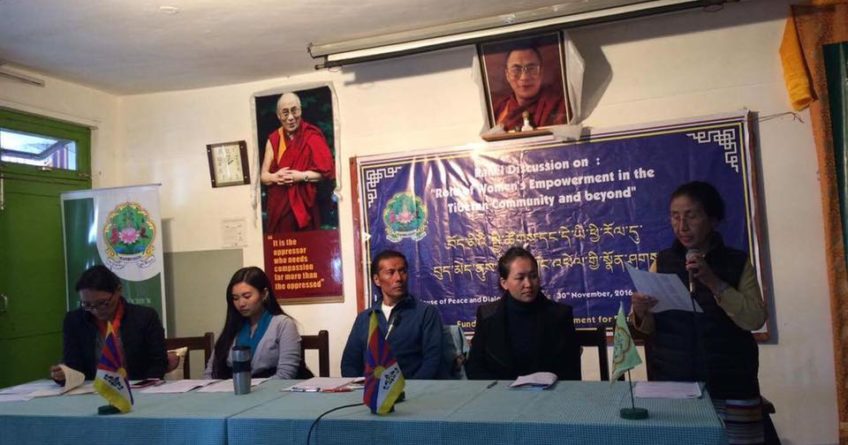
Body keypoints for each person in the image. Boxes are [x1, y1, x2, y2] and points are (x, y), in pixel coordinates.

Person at [630, 181, 768, 444]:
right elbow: (646, 329)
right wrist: (640, 312)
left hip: (732, 384)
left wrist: (714, 282)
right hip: (674, 384)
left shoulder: (737, 262)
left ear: (712, 219)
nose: (682, 226)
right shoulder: (663, 261)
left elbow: (754, 318)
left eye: (691, 216)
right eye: (675, 216)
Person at [465, 247, 581, 380]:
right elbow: (475, 368)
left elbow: (571, 371)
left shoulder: (560, 315)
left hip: (549, 394)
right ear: (504, 283)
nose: (528, 284)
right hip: (501, 394)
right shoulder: (487, 316)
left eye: (533, 276)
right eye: (520, 278)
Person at [50, 265, 167, 382]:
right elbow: (73, 365)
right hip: (92, 390)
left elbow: (158, 362)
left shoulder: (144, 317)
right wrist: (64, 375)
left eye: (102, 303)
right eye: (87, 304)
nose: (95, 310)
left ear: (118, 290)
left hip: (136, 388)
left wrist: (145, 384)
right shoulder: (74, 321)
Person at [341, 250, 444, 379]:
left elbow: (433, 361)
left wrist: (413, 389)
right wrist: (361, 388)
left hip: (413, 391)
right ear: (377, 280)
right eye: (391, 273)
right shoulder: (365, 318)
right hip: (370, 392)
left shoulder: (425, 312)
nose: (399, 278)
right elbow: (349, 364)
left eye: (402, 271)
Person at [204, 267, 302, 379]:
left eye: (247, 296)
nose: (241, 303)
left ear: (264, 294)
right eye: (235, 298)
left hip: (271, 391)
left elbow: (286, 374)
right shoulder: (232, 326)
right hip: (232, 390)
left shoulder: (283, 324)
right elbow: (210, 373)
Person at [260, 92, 336, 233]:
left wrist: (301, 176)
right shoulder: (274, 139)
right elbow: (263, 176)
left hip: (306, 207)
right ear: (278, 115)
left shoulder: (312, 135)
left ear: (300, 110)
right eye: (285, 113)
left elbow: (328, 172)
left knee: (309, 249)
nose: (290, 117)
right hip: (280, 208)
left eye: (294, 111)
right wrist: (274, 177)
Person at [492, 44, 568, 131]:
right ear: (507, 75)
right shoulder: (498, 109)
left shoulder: (559, 105)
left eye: (531, 69)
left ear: (541, 72)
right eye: (516, 70)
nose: (524, 77)